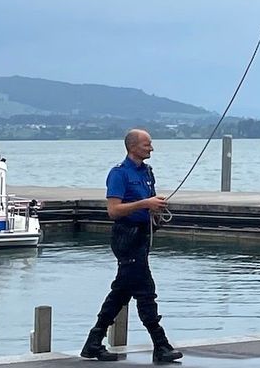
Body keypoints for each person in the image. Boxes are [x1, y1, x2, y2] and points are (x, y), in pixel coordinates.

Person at [81, 129, 184, 363]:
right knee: (145, 291)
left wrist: (155, 209)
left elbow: (149, 203)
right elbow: (113, 211)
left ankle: (93, 343)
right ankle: (161, 345)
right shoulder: (119, 174)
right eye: (147, 145)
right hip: (125, 237)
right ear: (132, 147)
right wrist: (144, 203)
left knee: (121, 292)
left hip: (142, 236)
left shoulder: (148, 172)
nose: (151, 148)